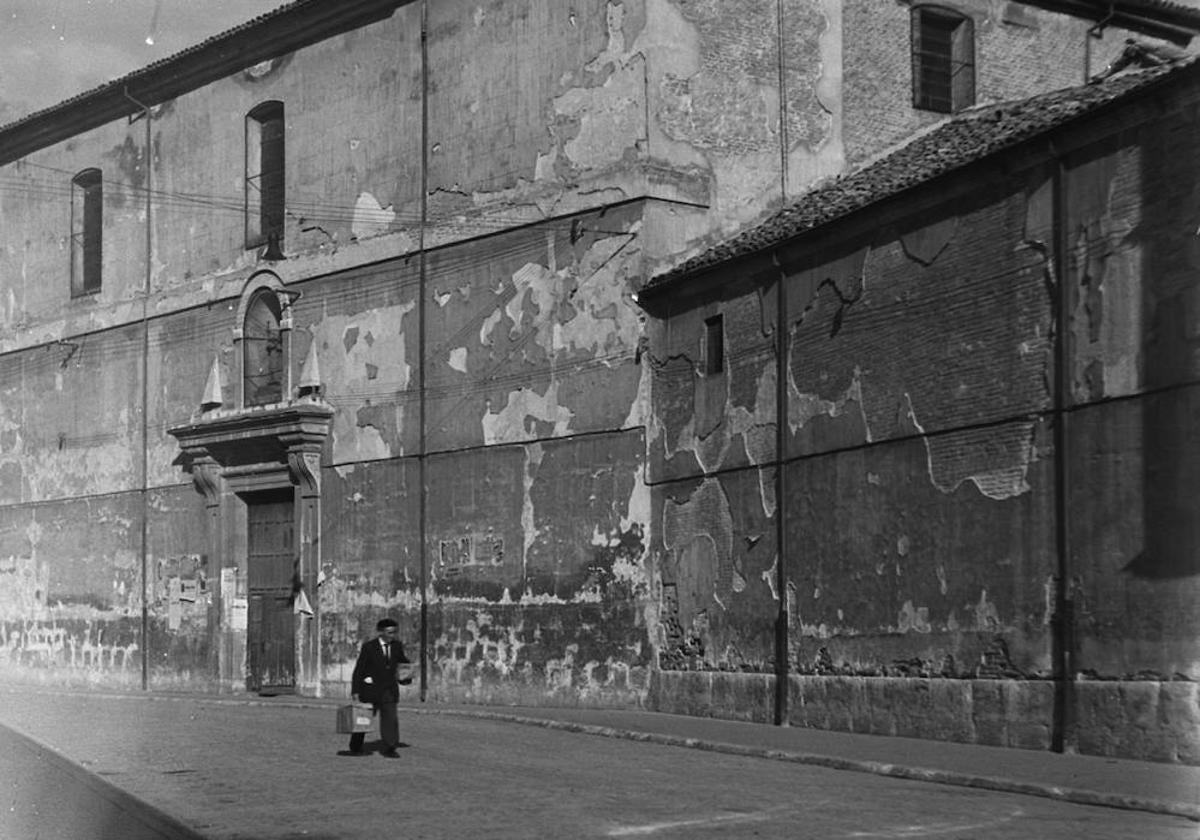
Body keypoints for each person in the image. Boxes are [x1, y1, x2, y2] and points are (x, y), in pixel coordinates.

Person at [348, 617, 411, 757]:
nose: (392, 635)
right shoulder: (369, 647)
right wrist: (356, 691)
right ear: (381, 632)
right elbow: (359, 670)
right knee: (363, 719)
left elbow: (402, 663)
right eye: (389, 632)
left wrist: (407, 675)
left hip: (389, 690)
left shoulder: (397, 646)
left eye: (394, 632)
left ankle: (390, 747)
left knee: (391, 720)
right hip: (370, 690)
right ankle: (356, 746)